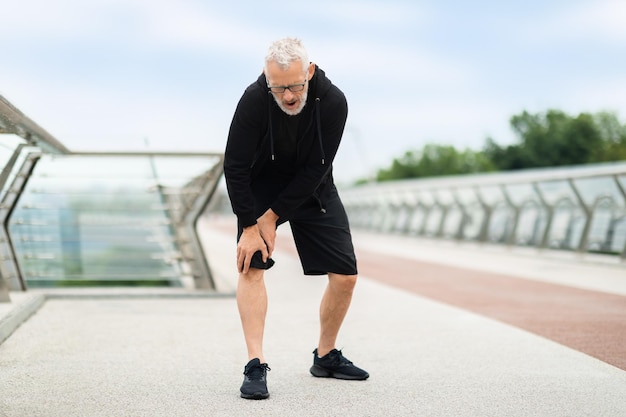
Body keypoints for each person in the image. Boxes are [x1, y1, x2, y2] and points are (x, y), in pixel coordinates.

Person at [224, 37, 369, 400]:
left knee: (346, 276)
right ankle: (255, 364)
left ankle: (326, 356)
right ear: (266, 77)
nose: (288, 96)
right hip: (263, 184)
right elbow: (236, 165)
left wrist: (274, 218)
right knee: (251, 265)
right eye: (278, 87)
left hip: (313, 183)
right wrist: (250, 225)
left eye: (295, 85)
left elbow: (316, 168)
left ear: (310, 71)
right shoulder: (254, 99)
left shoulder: (334, 101)